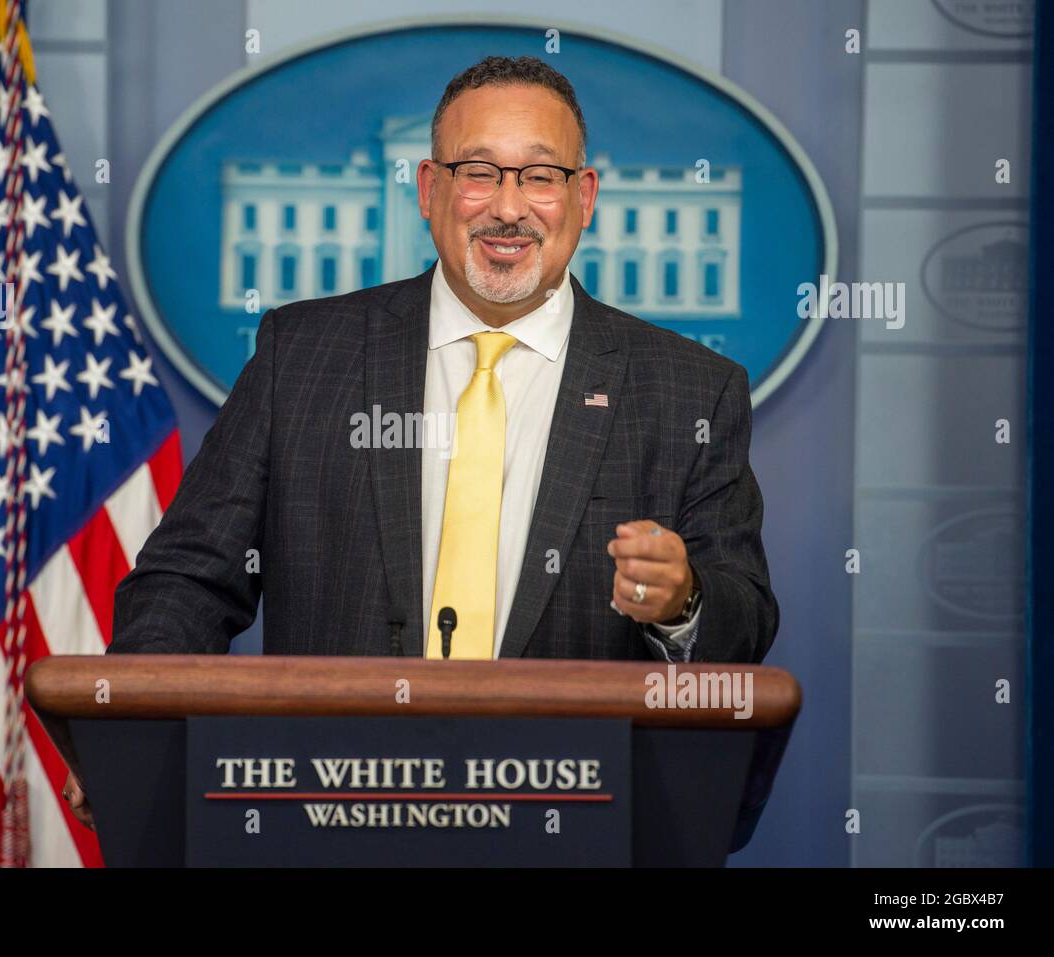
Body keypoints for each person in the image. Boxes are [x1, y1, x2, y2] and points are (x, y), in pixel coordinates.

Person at [64, 55, 777, 828]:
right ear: (430, 190)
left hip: (578, 827)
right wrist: (132, 734)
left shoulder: (689, 390)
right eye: (480, 172)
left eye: (540, 176)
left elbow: (743, 618)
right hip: (325, 821)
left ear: (584, 197)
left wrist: (682, 602)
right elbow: (188, 581)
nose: (510, 208)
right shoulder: (301, 355)